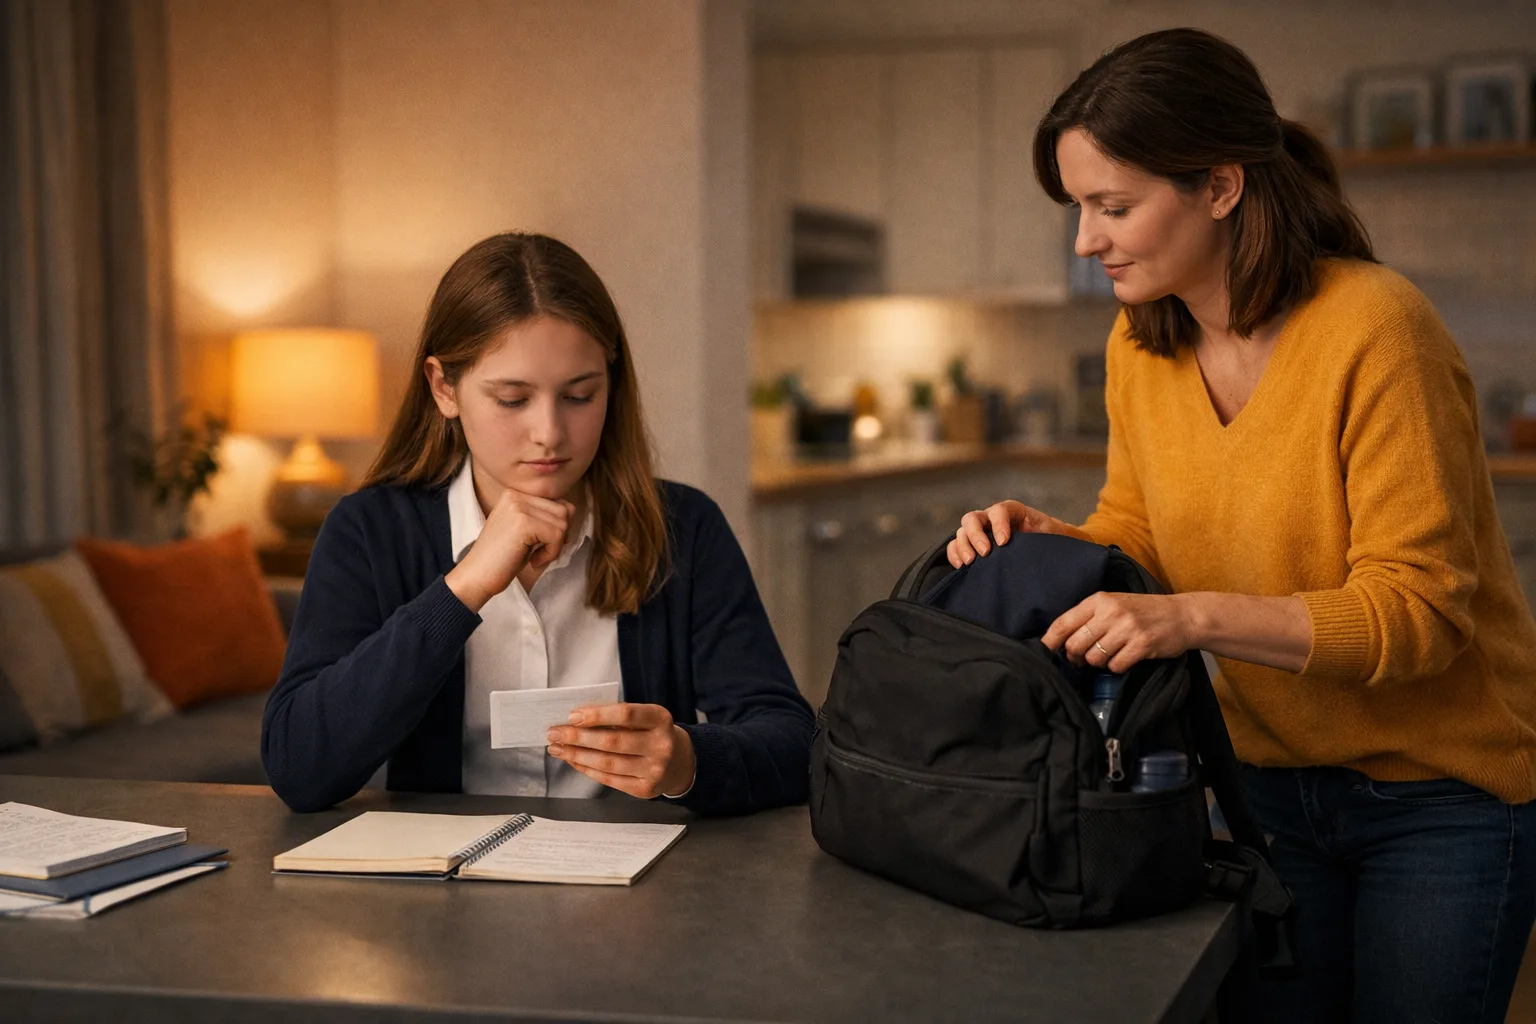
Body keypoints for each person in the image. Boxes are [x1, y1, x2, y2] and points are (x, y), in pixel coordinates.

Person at [948, 28, 1536, 1024]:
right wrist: (1045, 536)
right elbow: (1139, 529)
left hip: (1442, 798)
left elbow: (1419, 615)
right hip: (1266, 784)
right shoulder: (1143, 340)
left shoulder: (1377, 328)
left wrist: (1193, 618)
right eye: (1079, 208)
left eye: (1113, 205)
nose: (1087, 240)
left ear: (1220, 187)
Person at [263, 232, 813, 817]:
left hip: (634, 896)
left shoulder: (683, 527)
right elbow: (300, 765)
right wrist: (463, 587)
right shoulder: (369, 529)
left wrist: (687, 761)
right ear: (444, 387)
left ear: (611, 384)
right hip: (444, 893)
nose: (549, 432)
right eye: (512, 399)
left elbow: (793, 740)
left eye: (579, 396)